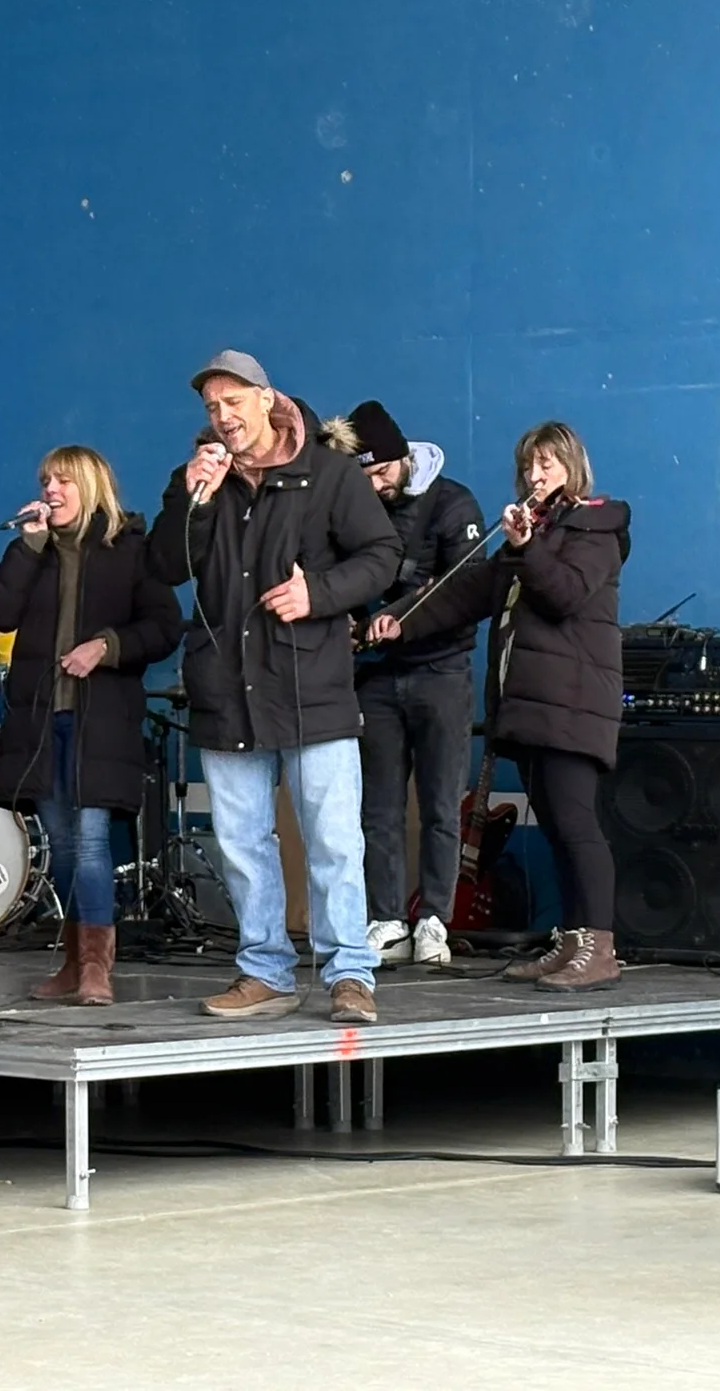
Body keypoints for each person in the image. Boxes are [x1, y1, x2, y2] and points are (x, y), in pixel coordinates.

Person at [148, 349, 403, 1023]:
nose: (222, 417)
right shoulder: (198, 477)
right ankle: (265, 970)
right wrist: (195, 501)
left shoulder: (329, 472)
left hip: (311, 684)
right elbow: (165, 565)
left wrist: (318, 593)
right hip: (226, 688)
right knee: (241, 843)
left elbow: (382, 555)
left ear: (266, 399)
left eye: (233, 402)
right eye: (212, 407)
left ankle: (350, 974)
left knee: (334, 842)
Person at [370, 422, 630, 992]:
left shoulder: (596, 529)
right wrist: (399, 620)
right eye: (528, 466)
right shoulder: (535, 535)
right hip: (532, 707)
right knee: (557, 827)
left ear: (572, 466)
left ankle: (599, 947)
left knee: (577, 825)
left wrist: (526, 546)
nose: (535, 476)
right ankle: (573, 942)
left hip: (573, 703)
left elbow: (563, 594)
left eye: (547, 464)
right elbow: (466, 592)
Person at [0, 446, 183, 1005]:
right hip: (40, 720)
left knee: (92, 841)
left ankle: (98, 968)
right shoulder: (35, 550)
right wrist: (26, 548)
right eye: (46, 480)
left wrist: (107, 646)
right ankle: (74, 963)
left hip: (102, 721)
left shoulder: (130, 548)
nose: (51, 490)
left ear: (92, 487)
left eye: (64, 481)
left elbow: (165, 626)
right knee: (64, 846)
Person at [321, 400, 486, 968]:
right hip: (374, 674)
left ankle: (435, 919)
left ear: (403, 457)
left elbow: (469, 591)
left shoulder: (454, 502)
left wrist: (401, 621)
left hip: (442, 671)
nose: (376, 484)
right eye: (364, 475)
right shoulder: (354, 506)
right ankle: (387, 918)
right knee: (379, 808)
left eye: (383, 470)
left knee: (442, 804)